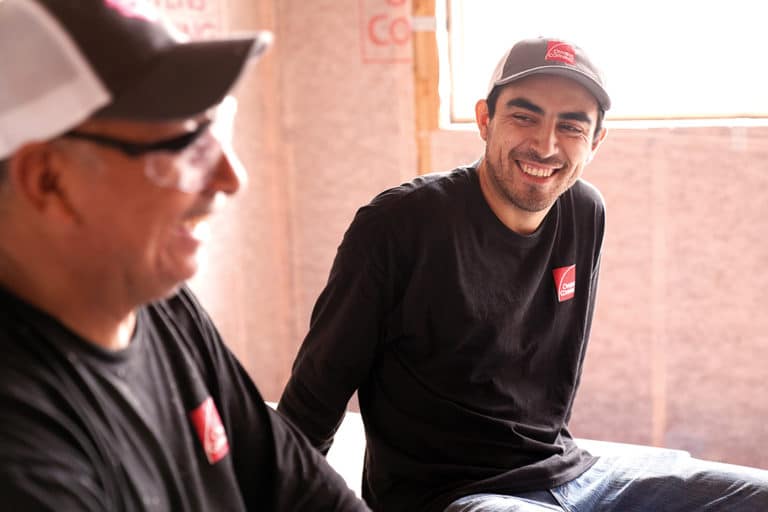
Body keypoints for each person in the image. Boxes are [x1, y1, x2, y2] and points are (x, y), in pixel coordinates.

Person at [277, 37, 768, 511]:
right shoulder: (400, 224)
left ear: (596, 141)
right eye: (524, 116)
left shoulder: (583, 211)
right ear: (485, 119)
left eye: (572, 127)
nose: (546, 145)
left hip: (569, 473)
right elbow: (314, 397)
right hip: (452, 495)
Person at [0, 1, 370, 510]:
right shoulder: (22, 448)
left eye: (214, 125)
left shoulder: (160, 306)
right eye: (186, 143)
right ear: (49, 182)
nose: (231, 177)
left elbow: (302, 490)